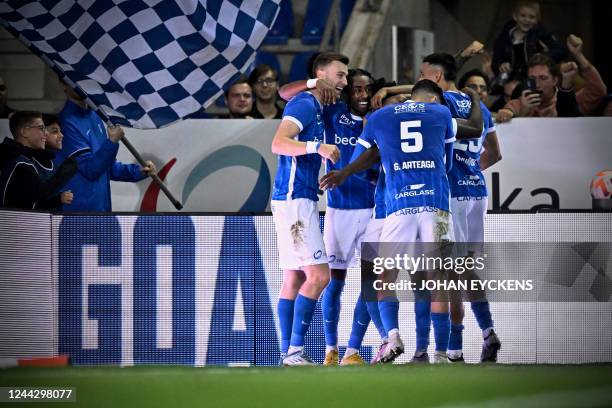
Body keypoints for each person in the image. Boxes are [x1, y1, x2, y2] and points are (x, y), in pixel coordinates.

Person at [321, 79, 458, 364]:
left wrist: (348, 172)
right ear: (433, 98)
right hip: (436, 205)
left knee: (384, 279)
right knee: (437, 279)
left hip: (397, 207)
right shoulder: (442, 113)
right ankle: (441, 354)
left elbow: (361, 158)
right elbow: (447, 162)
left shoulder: (377, 117)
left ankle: (392, 336)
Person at [271, 52, 347, 365]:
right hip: (294, 200)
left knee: (294, 278)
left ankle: (288, 353)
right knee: (319, 275)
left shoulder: (315, 105)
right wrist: (319, 147)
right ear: (320, 73)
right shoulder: (305, 103)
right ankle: (294, 352)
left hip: (294, 198)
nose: (343, 81)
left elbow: (283, 92)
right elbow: (278, 142)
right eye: (340, 74)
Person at [56, 79, 156, 211]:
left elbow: (107, 167)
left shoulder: (95, 116)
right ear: (63, 84)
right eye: (71, 78)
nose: (78, 83)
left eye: (80, 78)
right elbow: (90, 170)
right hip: (79, 213)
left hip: (101, 209)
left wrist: (137, 171)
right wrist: (112, 142)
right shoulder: (66, 122)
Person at [0, 111, 76, 209]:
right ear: (24, 132)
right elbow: (36, 201)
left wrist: (57, 200)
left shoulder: (19, 158)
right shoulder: (20, 163)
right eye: (41, 128)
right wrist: (64, 174)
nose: (45, 133)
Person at [491, 0, 566, 80]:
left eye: (531, 17)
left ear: (537, 20)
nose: (526, 20)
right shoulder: (505, 36)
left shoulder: (540, 34)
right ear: (515, 16)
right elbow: (496, 60)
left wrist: (542, 58)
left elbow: (560, 50)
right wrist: (501, 65)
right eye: (523, 16)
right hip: (510, 79)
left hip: (534, 77)